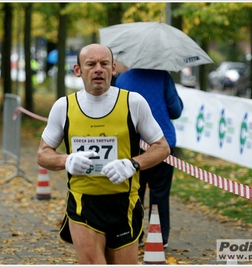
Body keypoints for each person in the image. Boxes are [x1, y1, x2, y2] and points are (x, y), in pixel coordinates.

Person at [37, 43, 170, 264]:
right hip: (83, 203)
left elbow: (162, 147)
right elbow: (43, 154)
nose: (98, 69)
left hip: (124, 203)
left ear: (114, 68)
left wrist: (132, 164)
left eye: (104, 63)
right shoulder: (64, 107)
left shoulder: (133, 103)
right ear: (78, 70)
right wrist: (66, 160)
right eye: (91, 64)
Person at [116, 68, 184, 248]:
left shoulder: (122, 79)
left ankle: (134, 235)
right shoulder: (163, 77)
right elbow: (175, 111)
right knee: (160, 192)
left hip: (133, 144)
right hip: (162, 144)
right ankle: (160, 238)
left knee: (134, 192)